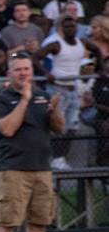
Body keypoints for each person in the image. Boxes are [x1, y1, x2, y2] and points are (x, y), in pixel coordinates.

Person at [0, 52, 68, 232]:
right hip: (14, 168)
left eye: (27, 69)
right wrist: (24, 100)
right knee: (8, 222)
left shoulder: (42, 96)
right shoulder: (2, 99)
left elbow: (59, 129)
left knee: (39, 221)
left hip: (42, 168)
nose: (23, 73)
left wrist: (53, 110)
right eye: (18, 69)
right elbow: (7, 129)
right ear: (9, 73)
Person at [36, 16, 99, 169]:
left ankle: (60, 158)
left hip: (73, 88)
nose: (71, 29)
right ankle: (52, 158)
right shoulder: (56, 44)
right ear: (62, 29)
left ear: (77, 28)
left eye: (73, 26)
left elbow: (98, 50)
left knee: (72, 127)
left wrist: (101, 68)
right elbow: (36, 57)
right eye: (67, 27)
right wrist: (46, 73)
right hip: (58, 88)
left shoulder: (81, 43)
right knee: (57, 125)